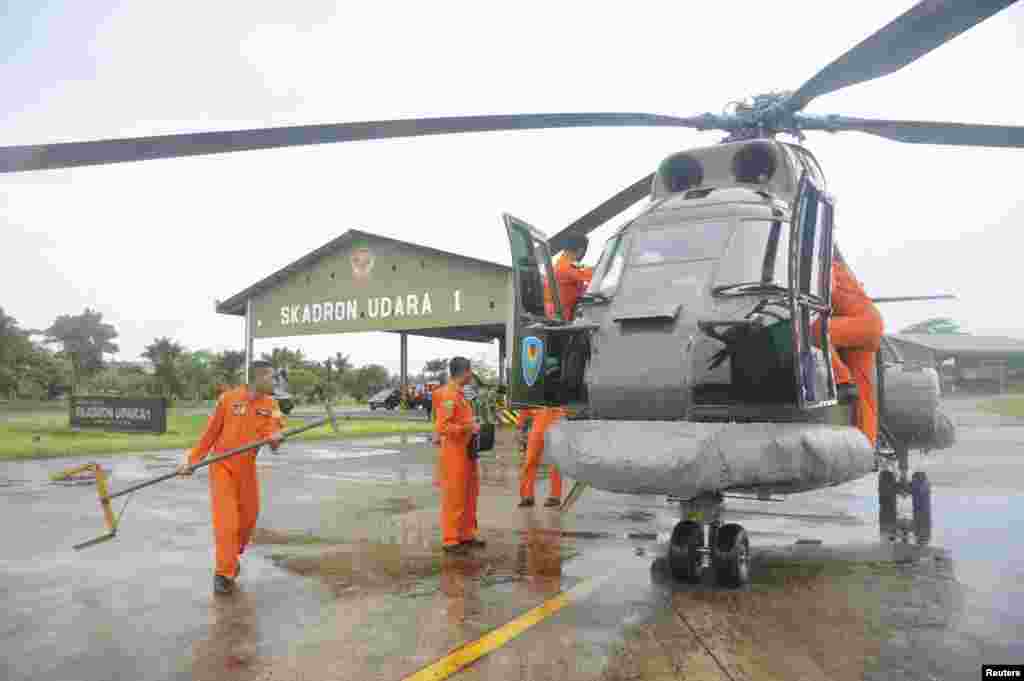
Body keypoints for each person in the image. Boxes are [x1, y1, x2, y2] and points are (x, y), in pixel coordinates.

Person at [176, 360, 283, 594]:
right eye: (271, 377)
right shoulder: (228, 399)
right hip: (221, 466)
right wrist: (193, 461)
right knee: (227, 523)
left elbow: (273, 433)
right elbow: (210, 433)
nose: (275, 382)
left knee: (248, 519)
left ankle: (231, 558)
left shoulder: (271, 404)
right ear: (258, 378)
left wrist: (275, 438)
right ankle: (224, 573)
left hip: (247, 468)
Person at [520, 234, 592, 509]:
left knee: (554, 459)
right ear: (580, 248)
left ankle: (552, 495)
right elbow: (589, 274)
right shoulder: (564, 267)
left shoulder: (561, 268)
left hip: (553, 412)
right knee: (534, 458)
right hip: (559, 327)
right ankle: (527, 495)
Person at [812, 245, 884, 446]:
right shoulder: (843, 271)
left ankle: (842, 382)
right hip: (868, 325)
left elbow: (828, 290)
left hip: (862, 323)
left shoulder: (829, 268)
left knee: (815, 331)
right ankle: (867, 447)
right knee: (865, 397)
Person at [434, 356, 484, 554]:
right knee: (454, 495)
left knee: (470, 493)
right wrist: (468, 427)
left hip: (467, 450)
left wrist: (471, 426)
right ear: (464, 372)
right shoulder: (448, 395)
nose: (471, 375)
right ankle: (451, 538)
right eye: (470, 371)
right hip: (454, 452)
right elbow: (443, 427)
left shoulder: (462, 394)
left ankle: (466, 534)